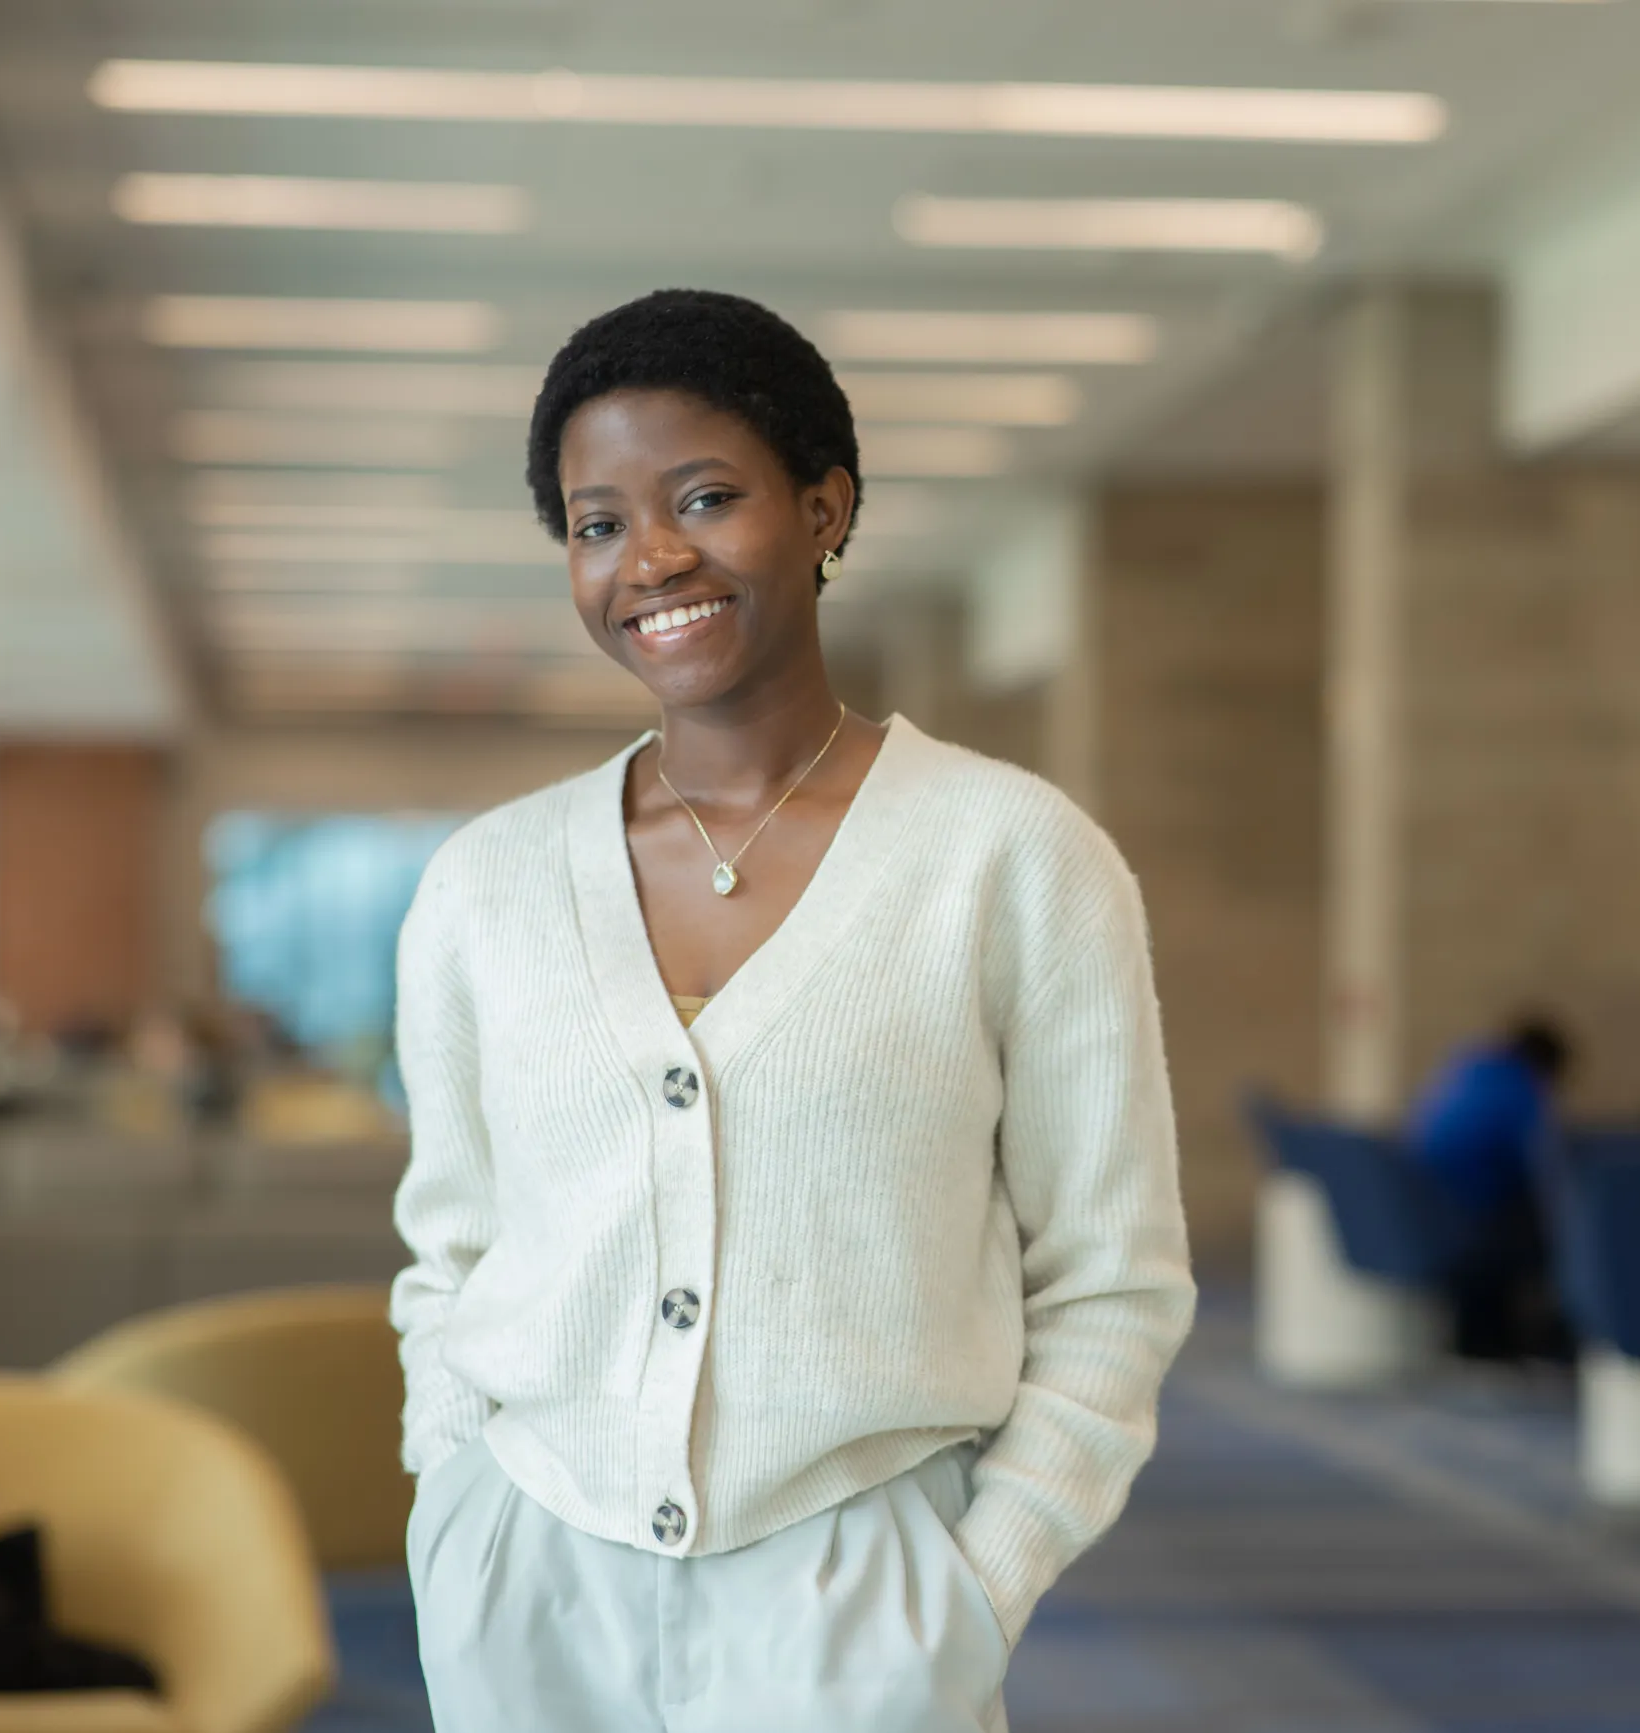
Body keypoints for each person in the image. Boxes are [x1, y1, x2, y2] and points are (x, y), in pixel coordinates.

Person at [389, 289, 1194, 1733]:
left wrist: (971, 1584)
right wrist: (456, 1511)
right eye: (597, 523)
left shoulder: (1012, 857)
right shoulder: (483, 885)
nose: (654, 558)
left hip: (862, 1593)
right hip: (529, 1581)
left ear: (825, 508)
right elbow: (452, 1245)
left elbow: (1112, 1282)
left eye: (707, 496)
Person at [1405, 1016, 1573, 1361]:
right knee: (1555, 1234)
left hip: (1432, 1209)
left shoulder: (1466, 1073)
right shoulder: (1519, 1091)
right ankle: (1528, 1341)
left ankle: (1492, 1339)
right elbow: (1542, 1167)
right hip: (1474, 1217)